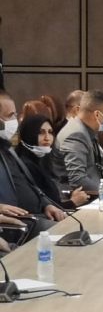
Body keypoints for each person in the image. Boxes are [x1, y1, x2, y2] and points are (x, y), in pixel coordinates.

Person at [0, 91, 65, 233]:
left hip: (35, 216)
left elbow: (27, 184)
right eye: (10, 116)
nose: (15, 120)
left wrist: (46, 205)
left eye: (15, 115)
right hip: (13, 224)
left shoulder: (7, 150)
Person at [52, 90, 103, 192]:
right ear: (97, 114)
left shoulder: (86, 130)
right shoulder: (75, 135)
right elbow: (78, 179)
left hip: (96, 189)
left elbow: (95, 166)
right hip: (81, 197)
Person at [16, 114, 89, 208]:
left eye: (50, 132)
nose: (47, 138)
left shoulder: (43, 160)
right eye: (41, 132)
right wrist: (72, 202)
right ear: (29, 134)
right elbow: (40, 207)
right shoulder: (24, 165)